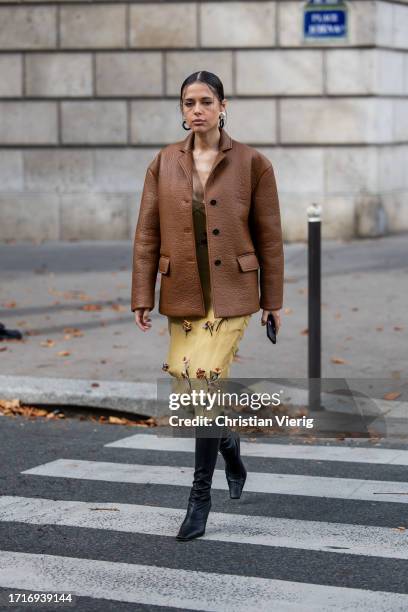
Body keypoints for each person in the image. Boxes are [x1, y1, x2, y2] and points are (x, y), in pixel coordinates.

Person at [131, 70, 284, 541]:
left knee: (202, 388)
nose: (196, 109)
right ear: (181, 111)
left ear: (222, 106)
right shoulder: (162, 163)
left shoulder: (253, 163)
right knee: (186, 383)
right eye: (188, 102)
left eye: (205, 101)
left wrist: (272, 300)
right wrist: (142, 295)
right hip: (183, 291)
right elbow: (147, 234)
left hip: (233, 293)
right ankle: (230, 446)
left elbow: (270, 236)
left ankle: (200, 496)